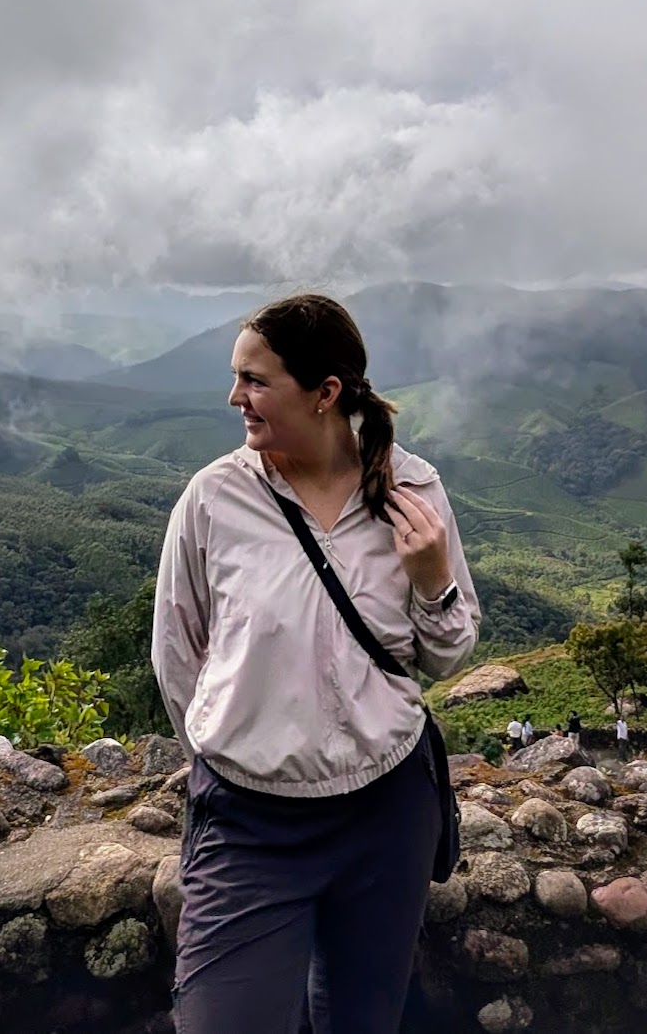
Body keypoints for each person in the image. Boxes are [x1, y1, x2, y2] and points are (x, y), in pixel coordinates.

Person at [152, 294, 481, 1034]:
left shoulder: (413, 491)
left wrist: (433, 578)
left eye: (255, 379)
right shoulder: (214, 498)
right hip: (248, 821)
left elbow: (448, 653)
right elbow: (177, 655)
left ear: (325, 393)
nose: (234, 396)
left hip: (386, 810)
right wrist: (229, 756)